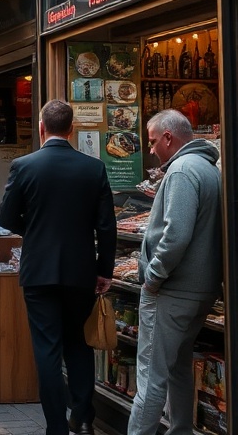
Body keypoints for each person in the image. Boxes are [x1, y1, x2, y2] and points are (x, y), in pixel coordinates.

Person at [0, 100, 116, 435]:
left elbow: (7, 218)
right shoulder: (93, 169)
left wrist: (33, 231)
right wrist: (104, 270)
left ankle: (56, 427)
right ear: (72, 129)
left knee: (47, 348)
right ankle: (83, 415)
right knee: (78, 343)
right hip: (80, 271)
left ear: (41, 128)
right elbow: (107, 227)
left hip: (38, 271)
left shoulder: (24, 165)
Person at [127, 109, 222, 435]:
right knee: (179, 367)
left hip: (172, 290)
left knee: (150, 378)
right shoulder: (210, 169)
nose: (151, 149)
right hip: (200, 289)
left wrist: (153, 276)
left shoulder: (182, 170)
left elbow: (176, 235)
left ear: (169, 137)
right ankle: (180, 429)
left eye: (153, 141)